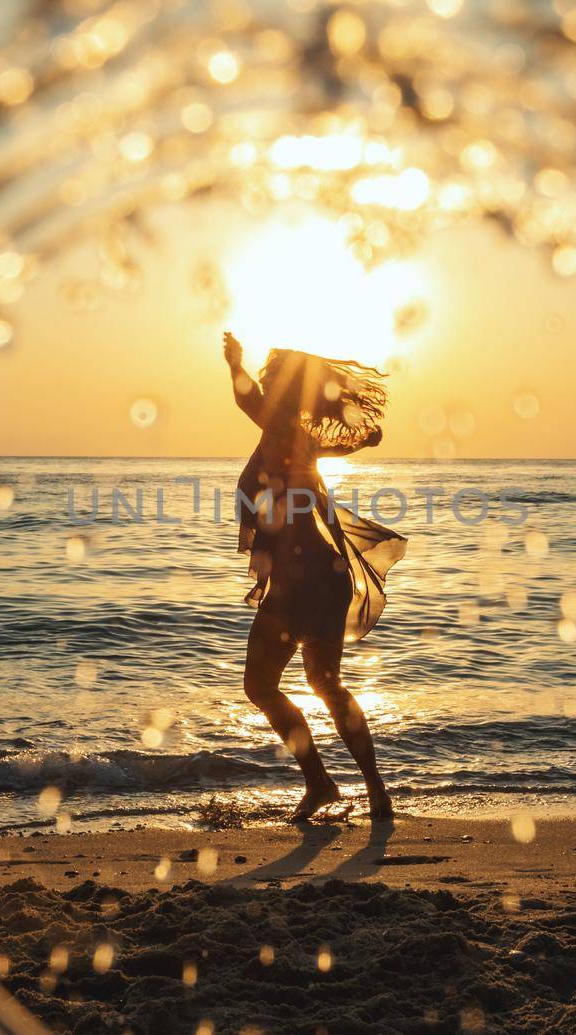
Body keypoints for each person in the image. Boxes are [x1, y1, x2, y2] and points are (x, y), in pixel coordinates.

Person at [223, 331, 406, 820]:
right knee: (326, 685)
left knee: (260, 686)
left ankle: (321, 783)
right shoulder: (295, 438)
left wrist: (234, 365)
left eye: (272, 378)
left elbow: (249, 401)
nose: (265, 385)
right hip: (323, 579)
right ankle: (375, 792)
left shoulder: (283, 427)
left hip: (300, 582)